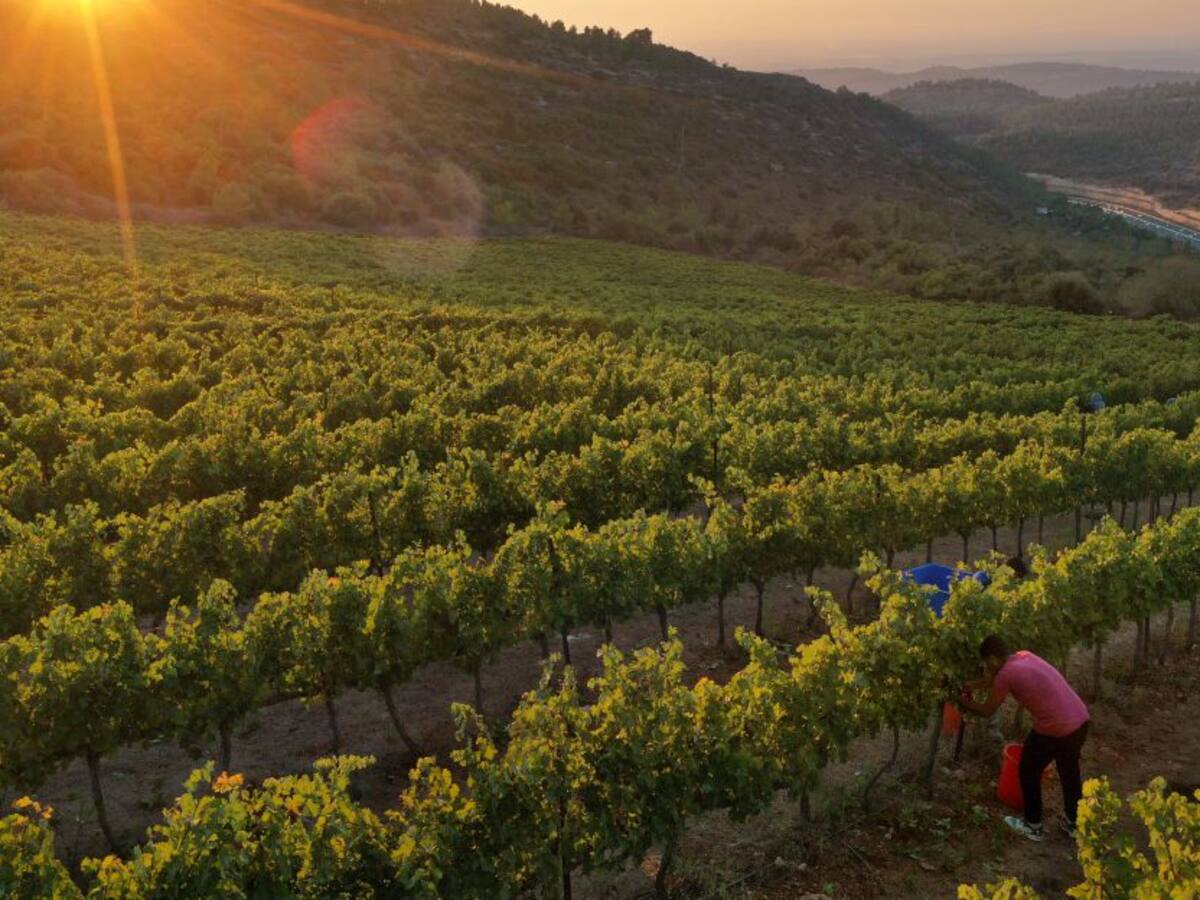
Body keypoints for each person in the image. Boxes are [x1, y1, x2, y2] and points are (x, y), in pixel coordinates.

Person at [959, 635, 1090, 841]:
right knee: (1069, 773)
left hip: (1055, 726)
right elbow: (991, 680)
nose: (986, 667)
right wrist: (971, 686)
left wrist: (961, 701)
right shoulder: (1024, 656)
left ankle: (1033, 825)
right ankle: (1075, 824)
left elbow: (986, 710)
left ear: (992, 659)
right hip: (1080, 719)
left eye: (986, 663)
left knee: (1029, 768)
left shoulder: (1006, 675)